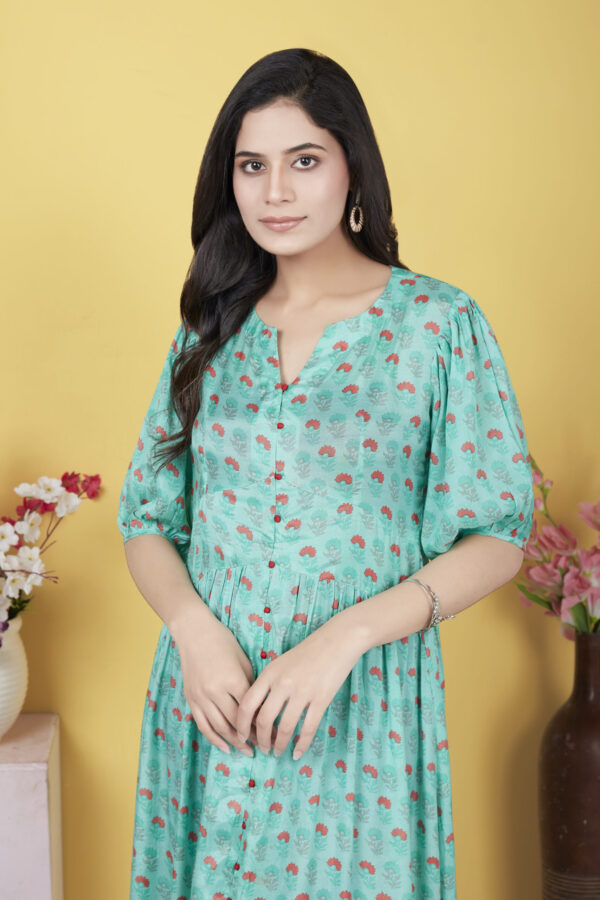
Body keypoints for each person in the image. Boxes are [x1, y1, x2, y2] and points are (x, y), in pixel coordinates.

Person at [117, 47, 534, 900]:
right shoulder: (208, 331)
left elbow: (499, 534)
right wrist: (193, 631)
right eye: (252, 166)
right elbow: (147, 519)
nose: (275, 192)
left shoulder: (437, 325)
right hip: (211, 706)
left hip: (357, 709)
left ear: (353, 170)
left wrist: (344, 639)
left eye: (303, 161)